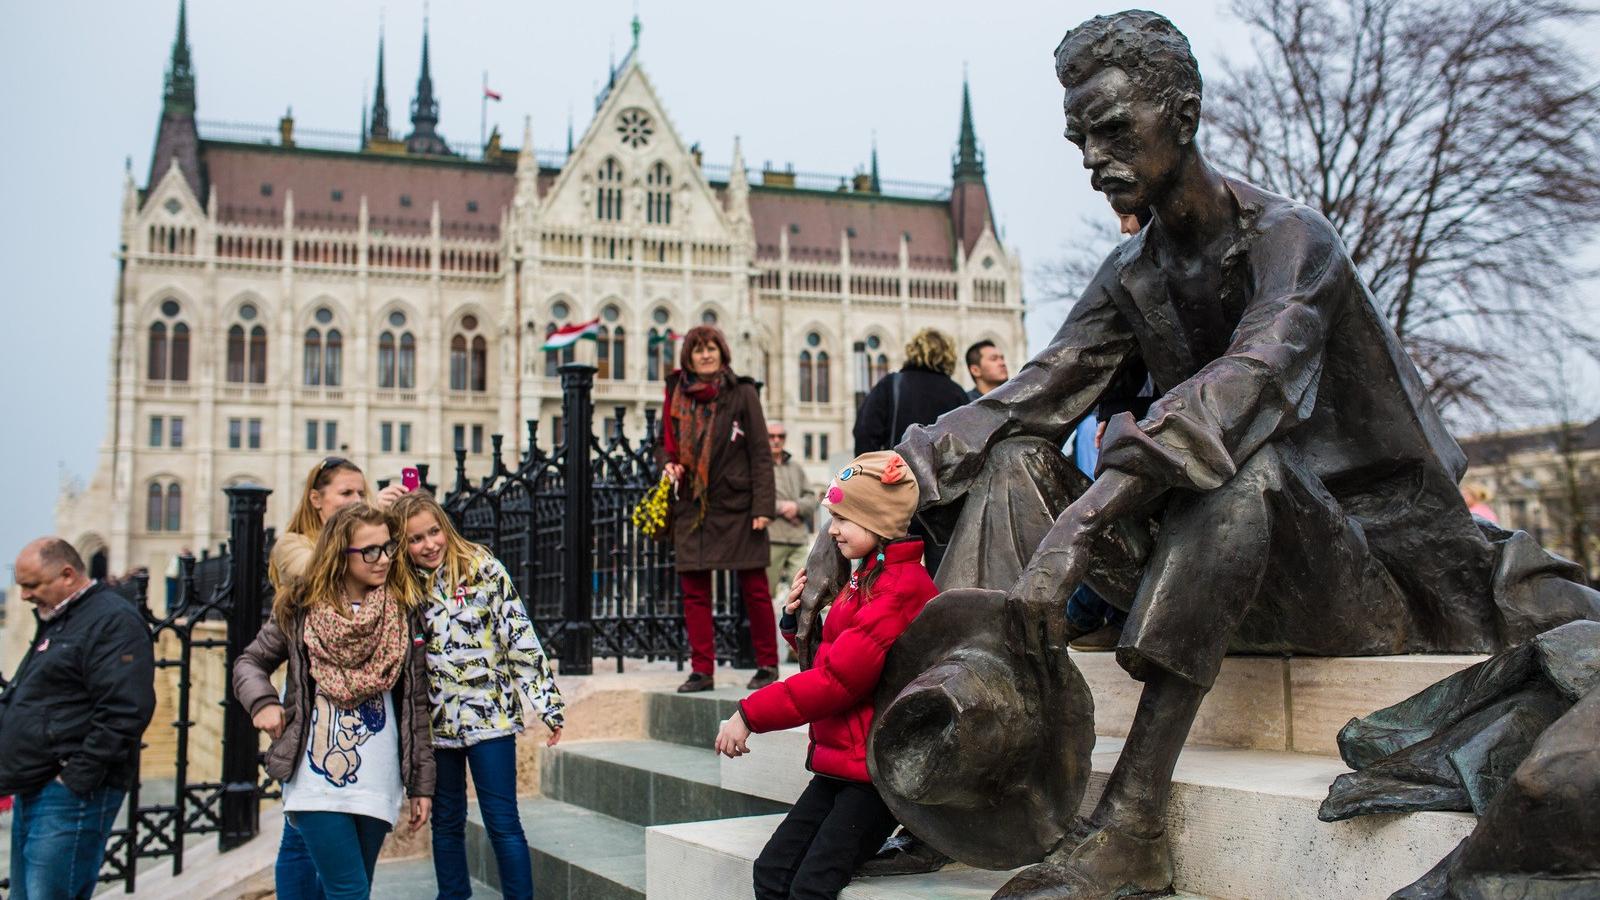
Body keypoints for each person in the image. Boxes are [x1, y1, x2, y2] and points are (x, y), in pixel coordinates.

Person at [799, 11, 1600, 897]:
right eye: (1079, 139)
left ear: (1181, 117)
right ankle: (972, 747)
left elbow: (1242, 390)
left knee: (1239, 459)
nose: (1095, 158)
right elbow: (1021, 400)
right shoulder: (1133, 272)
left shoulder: (1295, 243)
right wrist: (859, 499)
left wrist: (1085, 520)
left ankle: (1134, 820)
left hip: (1365, 573)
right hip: (1219, 565)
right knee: (1014, 459)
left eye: (1113, 129)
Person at [715, 451, 937, 900]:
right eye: (833, 516)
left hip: (875, 776)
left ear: (878, 519)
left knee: (810, 887)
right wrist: (796, 623)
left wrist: (749, 713)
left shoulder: (898, 588)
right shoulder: (866, 579)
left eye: (844, 517)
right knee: (772, 871)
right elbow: (835, 660)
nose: (832, 529)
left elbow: (838, 682)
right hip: (843, 765)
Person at [234, 504, 434, 900]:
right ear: (339, 555)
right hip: (315, 781)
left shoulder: (403, 610)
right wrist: (263, 703)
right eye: (370, 551)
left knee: (346, 888)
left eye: (388, 547)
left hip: (377, 780)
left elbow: (416, 706)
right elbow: (249, 662)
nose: (384, 559)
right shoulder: (302, 608)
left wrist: (421, 784)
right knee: (350, 891)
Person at [390, 492, 565, 900]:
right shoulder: (403, 586)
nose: (429, 544)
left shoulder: (482, 569)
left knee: (502, 820)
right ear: (403, 545)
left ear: (446, 528)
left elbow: (519, 636)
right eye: (415, 539)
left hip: (491, 719)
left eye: (434, 532)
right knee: (446, 821)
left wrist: (547, 704)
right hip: (438, 723)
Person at [267, 457, 408, 900]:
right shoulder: (294, 544)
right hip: (315, 706)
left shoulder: (385, 588)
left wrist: (376, 531)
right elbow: (316, 572)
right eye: (346, 494)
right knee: (328, 868)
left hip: (370, 761)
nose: (357, 501)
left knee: (342, 876)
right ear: (317, 498)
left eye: (361, 494)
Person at [1, 538, 156, 899]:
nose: (23, 595)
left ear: (68, 575)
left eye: (32, 585)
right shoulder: (60, 617)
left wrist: (73, 778)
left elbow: (125, 710)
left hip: (70, 793)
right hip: (38, 785)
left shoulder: (111, 620)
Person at [661, 325, 782, 693]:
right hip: (692, 503)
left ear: (722, 351)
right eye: (698, 350)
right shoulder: (675, 392)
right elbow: (662, 441)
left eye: (712, 347)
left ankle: (767, 664)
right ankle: (702, 669)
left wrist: (763, 505)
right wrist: (667, 463)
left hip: (738, 503)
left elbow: (760, 451)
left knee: (755, 589)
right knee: (695, 591)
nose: (706, 355)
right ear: (689, 357)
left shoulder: (742, 392)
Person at [853, 328, 969, 456]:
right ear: (949, 355)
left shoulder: (891, 384)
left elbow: (865, 432)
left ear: (913, 351)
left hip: (898, 472)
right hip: (940, 474)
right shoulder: (958, 394)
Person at [765, 422, 818, 653]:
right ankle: (765, 651)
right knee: (764, 597)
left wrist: (795, 507)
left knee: (803, 594)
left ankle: (796, 648)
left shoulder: (795, 467)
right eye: (771, 436)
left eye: (780, 436)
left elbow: (812, 499)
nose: (776, 440)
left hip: (797, 539)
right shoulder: (760, 466)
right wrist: (781, 507)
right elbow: (752, 498)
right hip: (771, 539)